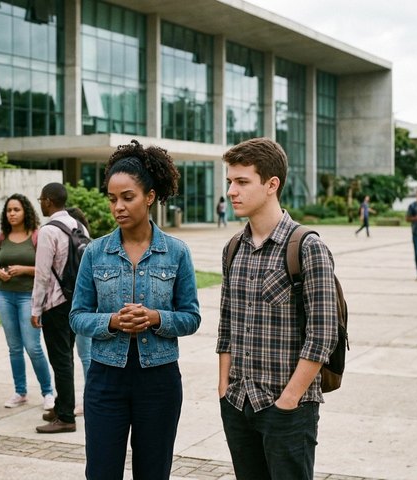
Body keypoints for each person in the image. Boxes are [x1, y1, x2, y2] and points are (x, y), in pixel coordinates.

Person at [70, 140, 201, 479]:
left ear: (150, 196)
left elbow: (191, 317)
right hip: (105, 378)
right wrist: (112, 322)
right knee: (101, 472)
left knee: (153, 472)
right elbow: (77, 316)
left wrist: (157, 318)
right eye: (112, 198)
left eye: (128, 197)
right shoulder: (95, 252)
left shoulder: (176, 252)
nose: (118, 207)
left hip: (159, 380)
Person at [217, 137, 338, 480]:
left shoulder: (307, 247)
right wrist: (224, 389)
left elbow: (323, 335)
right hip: (238, 403)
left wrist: (289, 400)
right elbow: (226, 326)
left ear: (272, 185)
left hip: (287, 409)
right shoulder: (233, 248)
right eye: (230, 181)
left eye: (242, 182)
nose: (232, 191)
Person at [30, 183, 88, 434]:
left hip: (55, 303)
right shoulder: (79, 226)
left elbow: (42, 274)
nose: (40, 203)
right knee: (66, 356)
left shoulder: (48, 231)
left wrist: (35, 309)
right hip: (76, 300)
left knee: (60, 360)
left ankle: (65, 417)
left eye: (41, 199)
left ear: (49, 201)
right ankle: (63, 405)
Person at [0, 194, 55, 411]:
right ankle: (20, 391)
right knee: (14, 348)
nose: (12, 213)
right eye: (9, 210)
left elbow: (47, 269)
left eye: (16, 209)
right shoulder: (1, 238)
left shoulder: (37, 236)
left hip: (29, 297)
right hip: (5, 296)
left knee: (33, 347)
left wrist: (24, 269)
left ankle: (48, 392)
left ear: (25, 211)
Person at [66, 206, 93, 416]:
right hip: (83, 306)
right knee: (85, 355)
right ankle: (89, 397)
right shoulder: (89, 244)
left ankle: (89, 398)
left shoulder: (85, 247)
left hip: (78, 306)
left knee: (85, 355)